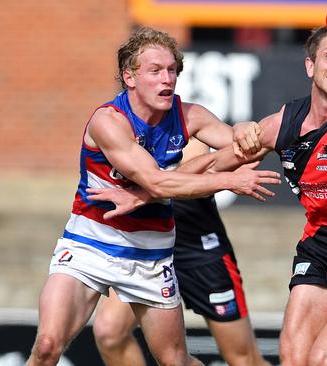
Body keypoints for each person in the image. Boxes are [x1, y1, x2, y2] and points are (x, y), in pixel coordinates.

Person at [87, 26, 327, 366]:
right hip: (321, 248)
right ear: (310, 66)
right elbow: (212, 162)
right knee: (294, 359)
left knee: (323, 362)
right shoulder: (282, 123)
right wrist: (145, 194)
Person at [25, 27, 280, 366]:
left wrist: (246, 130)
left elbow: (240, 147)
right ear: (129, 77)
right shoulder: (109, 121)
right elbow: (159, 184)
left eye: (172, 70)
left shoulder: (190, 115)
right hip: (90, 243)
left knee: (175, 361)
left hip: (150, 254)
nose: (167, 79)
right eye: (155, 71)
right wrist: (229, 181)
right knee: (46, 345)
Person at [92, 138, 271, 366]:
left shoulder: (188, 124)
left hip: (199, 251)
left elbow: (191, 178)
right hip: (151, 250)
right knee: (109, 333)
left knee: (243, 359)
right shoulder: (121, 125)